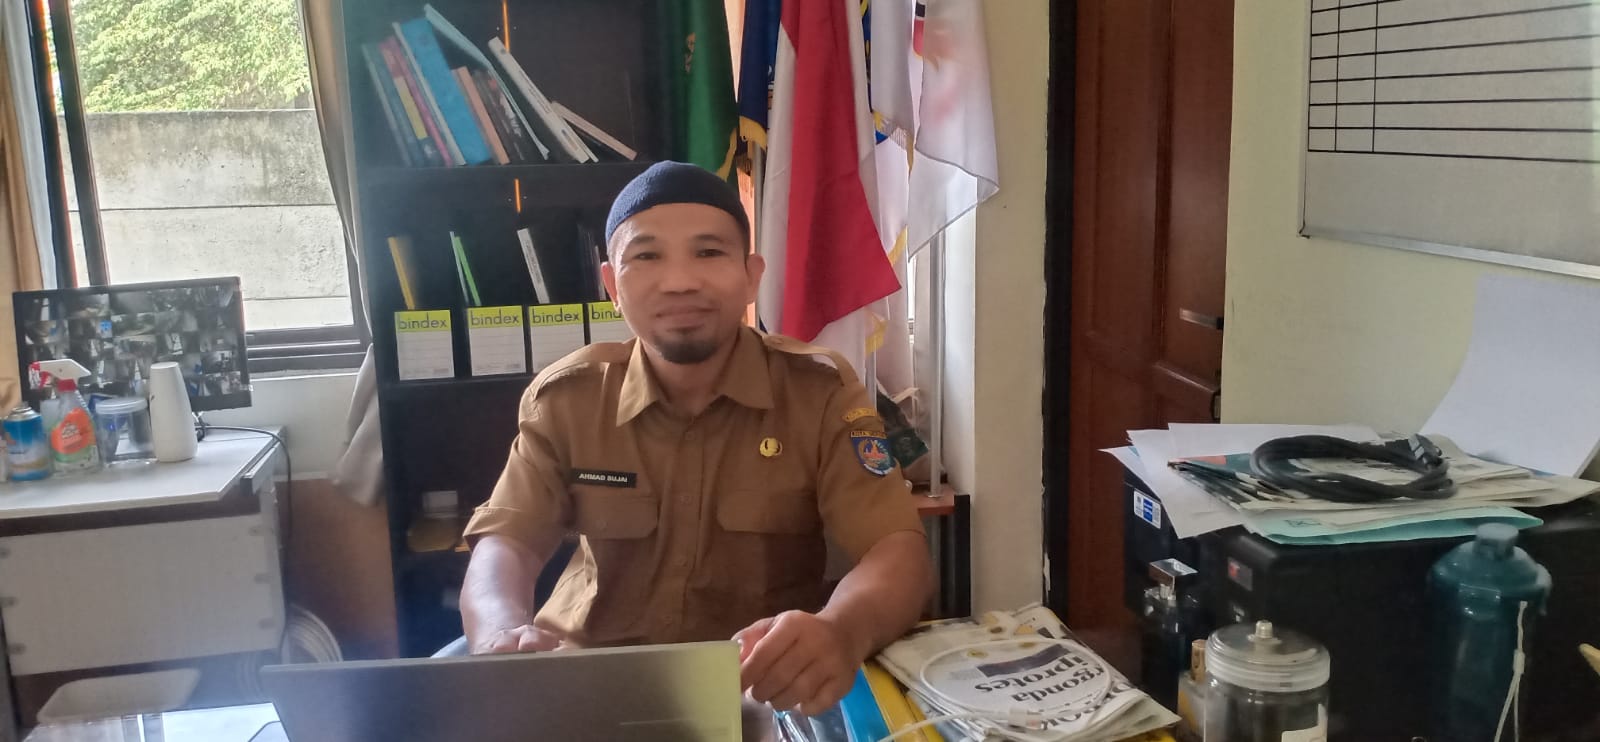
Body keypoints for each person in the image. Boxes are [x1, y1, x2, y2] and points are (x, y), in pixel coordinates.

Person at [459, 161, 933, 716]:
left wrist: (840, 630)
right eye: (646, 256)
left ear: (751, 276)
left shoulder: (819, 392)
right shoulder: (568, 399)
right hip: (587, 678)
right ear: (612, 286)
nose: (680, 281)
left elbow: (896, 550)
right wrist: (501, 632)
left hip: (754, 691)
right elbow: (507, 542)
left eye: (708, 252)